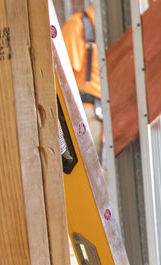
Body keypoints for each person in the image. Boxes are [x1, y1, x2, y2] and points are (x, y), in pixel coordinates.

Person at [62, 5, 103, 160]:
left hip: (99, 114)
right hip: (90, 112)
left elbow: (59, 73)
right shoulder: (80, 25)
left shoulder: (80, 24)